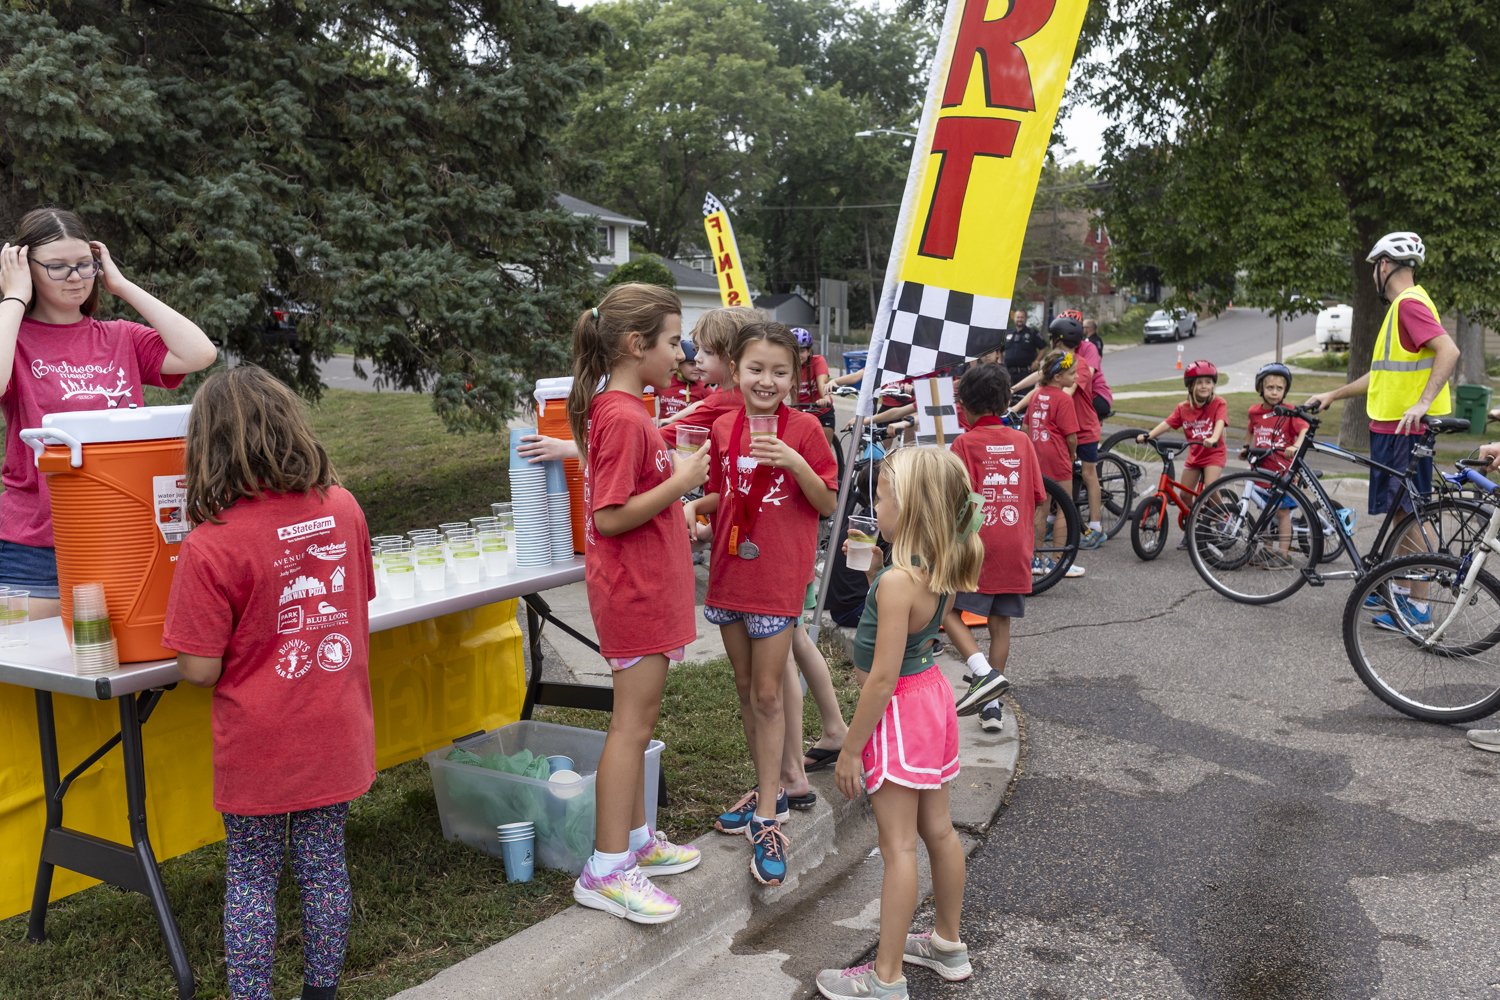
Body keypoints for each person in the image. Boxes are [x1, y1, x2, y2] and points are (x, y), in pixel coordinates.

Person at [162, 366, 375, 1000]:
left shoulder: (210, 544)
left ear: (207, 448)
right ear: (290, 426)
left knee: (253, 878)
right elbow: (357, 597)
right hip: (336, 726)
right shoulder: (343, 506)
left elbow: (198, 668)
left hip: (260, 742)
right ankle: (321, 992)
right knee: (323, 867)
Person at [815, 446, 983, 1000]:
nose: (875, 505)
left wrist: (847, 750)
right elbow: (903, 631)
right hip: (932, 696)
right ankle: (947, 944)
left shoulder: (895, 582)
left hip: (899, 710)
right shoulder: (936, 567)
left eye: (882, 496)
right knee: (939, 830)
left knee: (898, 848)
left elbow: (880, 678)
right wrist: (870, 575)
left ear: (907, 509)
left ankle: (886, 979)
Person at [566, 283, 708, 924]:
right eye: (674, 341)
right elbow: (612, 516)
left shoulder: (627, 410)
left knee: (640, 725)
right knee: (630, 728)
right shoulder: (623, 416)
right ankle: (605, 867)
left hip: (648, 588)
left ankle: (637, 839)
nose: (682, 353)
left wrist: (679, 504)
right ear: (634, 345)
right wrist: (681, 483)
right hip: (635, 594)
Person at [0, 207, 217, 617]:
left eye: (84, 264)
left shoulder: (120, 337)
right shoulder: (13, 338)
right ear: (26, 269)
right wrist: (13, 296)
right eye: (57, 267)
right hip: (35, 545)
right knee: (34, 665)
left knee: (120, 660)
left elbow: (199, 352)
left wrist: (122, 286)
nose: (76, 277)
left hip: (123, 533)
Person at [685, 321, 838, 886]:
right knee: (747, 692)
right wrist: (696, 513)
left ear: (795, 376)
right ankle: (765, 786)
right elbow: (729, 493)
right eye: (755, 369)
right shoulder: (723, 427)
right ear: (737, 369)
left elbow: (825, 502)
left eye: (779, 371)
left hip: (777, 581)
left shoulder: (805, 431)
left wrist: (794, 463)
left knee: (771, 694)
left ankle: (771, 816)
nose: (766, 380)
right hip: (729, 576)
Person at [1305, 231, 1458, 518]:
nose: (1374, 274)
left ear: (1384, 265)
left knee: (1405, 514)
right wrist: (1334, 395)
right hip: (1395, 429)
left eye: (1374, 267)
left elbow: (1449, 351)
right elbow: (1381, 376)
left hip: (1404, 431)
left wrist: (1424, 402)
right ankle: (1404, 565)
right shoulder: (1405, 306)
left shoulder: (1409, 305)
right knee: (1400, 514)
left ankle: (1418, 566)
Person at [945, 364, 1046, 733]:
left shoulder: (963, 444)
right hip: (1016, 546)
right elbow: (1038, 497)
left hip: (976, 547)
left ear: (965, 407)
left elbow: (956, 503)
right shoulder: (1022, 442)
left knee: (945, 610)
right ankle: (993, 704)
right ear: (1006, 401)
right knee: (1000, 623)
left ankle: (982, 674)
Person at [1137, 359, 1227, 547]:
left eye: (1208, 382)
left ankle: (1222, 518)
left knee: (1209, 488)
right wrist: (1149, 435)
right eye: (1200, 382)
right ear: (1191, 386)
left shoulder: (1219, 403)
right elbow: (1168, 423)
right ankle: (1195, 527)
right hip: (1195, 456)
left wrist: (1213, 438)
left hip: (1213, 454)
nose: (1204, 386)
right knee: (1184, 496)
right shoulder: (1183, 408)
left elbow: (1219, 423)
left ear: (1213, 385)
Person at [1022, 349, 1086, 580]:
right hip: (1057, 458)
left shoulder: (1037, 395)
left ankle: (1035, 558)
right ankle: (1059, 560)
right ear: (1058, 377)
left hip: (1037, 456)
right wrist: (1072, 454)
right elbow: (1071, 436)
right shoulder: (1063, 399)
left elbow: (1026, 427)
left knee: (1040, 507)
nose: (1076, 377)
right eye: (1071, 373)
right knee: (1064, 508)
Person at [1244, 363, 1309, 570]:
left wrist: (1295, 446)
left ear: (1285, 391)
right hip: (1262, 472)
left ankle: (1284, 554)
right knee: (1265, 511)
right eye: (1269, 387)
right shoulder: (1254, 412)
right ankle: (1268, 550)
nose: (1274, 392)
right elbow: (1251, 432)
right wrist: (1247, 448)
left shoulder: (1289, 412)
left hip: (1283, 471)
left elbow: (1304, 430)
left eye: (1279, 388)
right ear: (1260, 389)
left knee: (1281, 513)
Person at [793, 326, 836, 448]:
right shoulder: (785, 364)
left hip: (821, 411)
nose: (797, 355)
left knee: (824, 451)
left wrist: (826, 399)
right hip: (800, 412)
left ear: (808, 351)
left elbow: (822, 383)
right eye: (794, 350)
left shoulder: (818, 361)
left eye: (801, 351)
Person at [657, 338, 710, 422]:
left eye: (698, 363)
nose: (697, 368)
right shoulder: (665, 381)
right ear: (679, 364)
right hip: (663, 431)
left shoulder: (703, 387)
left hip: (686, 432)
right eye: (691, 364)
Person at [1002, 306, 1046, 390]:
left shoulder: (1032, 333)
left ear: (1025, 319)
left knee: (1024, 398)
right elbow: (1000, 350)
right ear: (1014, 318)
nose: (1019, 319)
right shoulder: (1008, 333)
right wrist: (1000, 362)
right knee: (1008, 396)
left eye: (1022, 317)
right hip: (1009, 374)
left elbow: (1043, 348)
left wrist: (1037, 361)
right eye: (1018, 317)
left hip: (1026, 373)